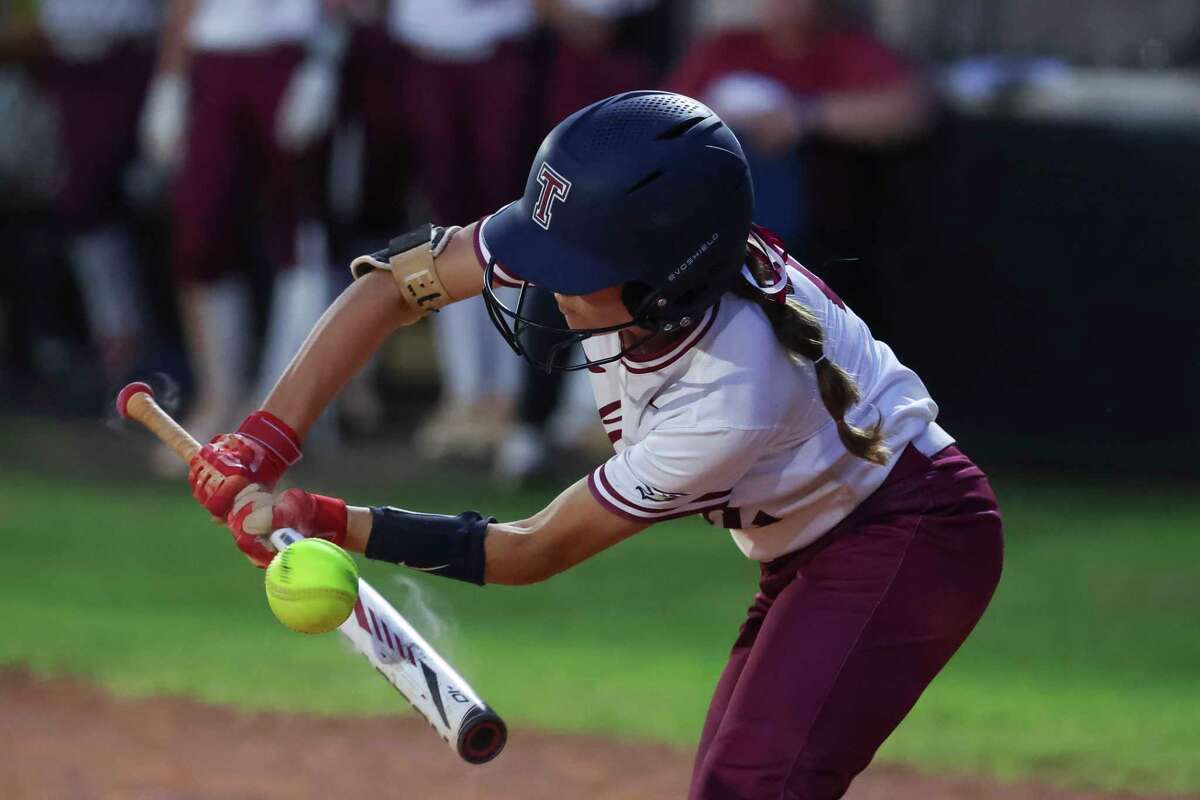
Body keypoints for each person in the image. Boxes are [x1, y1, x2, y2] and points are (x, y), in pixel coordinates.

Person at [186, 91, 1003, 799]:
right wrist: (263, 442)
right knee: (736, 784)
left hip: (908, 539)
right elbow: (390, 289)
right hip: (810, 544)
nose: (542, 280)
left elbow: (530, 549)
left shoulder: (727, 393)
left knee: (755, 788)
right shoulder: (634, 265)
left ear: (666, 278)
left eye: (571, 266)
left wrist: (325, 516)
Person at [142, 0, 343, 464]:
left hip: (290, 53)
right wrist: (169, 78)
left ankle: (283, 413)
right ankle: (218, 396)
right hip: (215, 57)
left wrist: (324, 59)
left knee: (300, 238)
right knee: (200, 234)